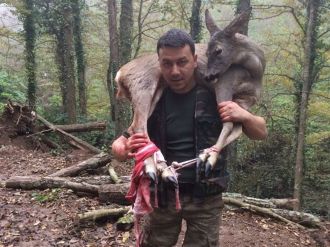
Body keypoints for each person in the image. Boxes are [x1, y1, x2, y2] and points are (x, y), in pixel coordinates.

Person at [111, 29, 267, 247]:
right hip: (162, 197)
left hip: (206, 198)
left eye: (182, 62)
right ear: (159, 63)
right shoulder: (154, 98)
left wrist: (245, 116)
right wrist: (120, 148)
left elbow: (260, 133)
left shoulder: (218, 94)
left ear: (195, 60)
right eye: (167, 64)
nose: (175, 71)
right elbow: (125, 139)